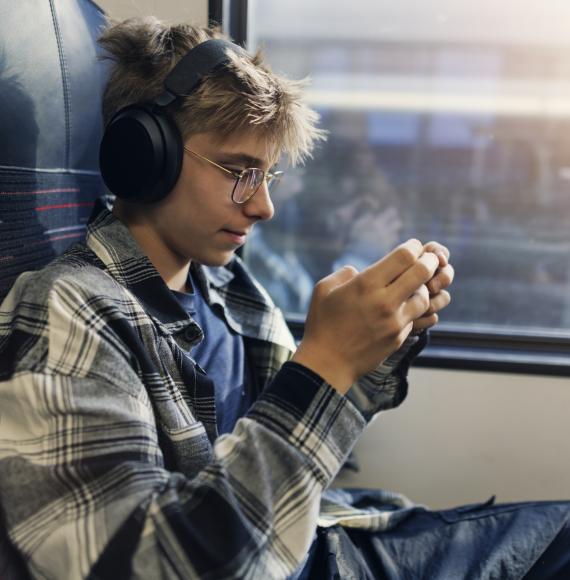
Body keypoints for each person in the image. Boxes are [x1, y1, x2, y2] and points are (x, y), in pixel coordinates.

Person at [0, 16, 568, 580]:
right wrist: (327, 362)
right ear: (144, 156)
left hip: (316, 537)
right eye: (241, 172)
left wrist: (376, 346)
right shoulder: (71, 312)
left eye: (269, 176)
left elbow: (298, 441)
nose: (263, 207)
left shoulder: (224, 285)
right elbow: (151, 565)